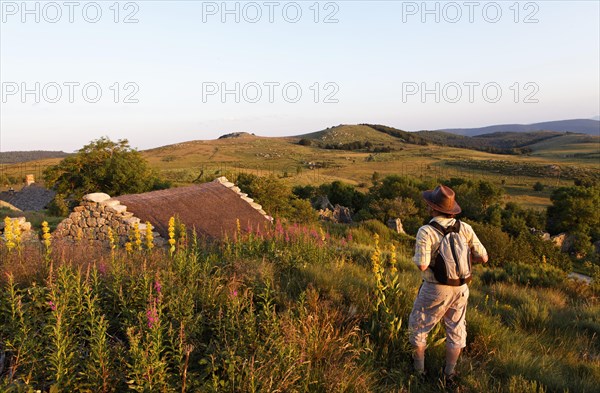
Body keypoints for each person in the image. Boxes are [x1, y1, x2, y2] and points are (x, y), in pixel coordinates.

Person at [408, 184, 488, 382]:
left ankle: (419, 373)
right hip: (461, 288)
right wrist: (465, 261)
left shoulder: (426, 231)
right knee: (456, 329)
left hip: (435, 288)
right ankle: (449, 374)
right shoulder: (465, 228)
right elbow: (484, 257)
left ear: (432, 207)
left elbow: (422, 265)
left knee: (419, 327)